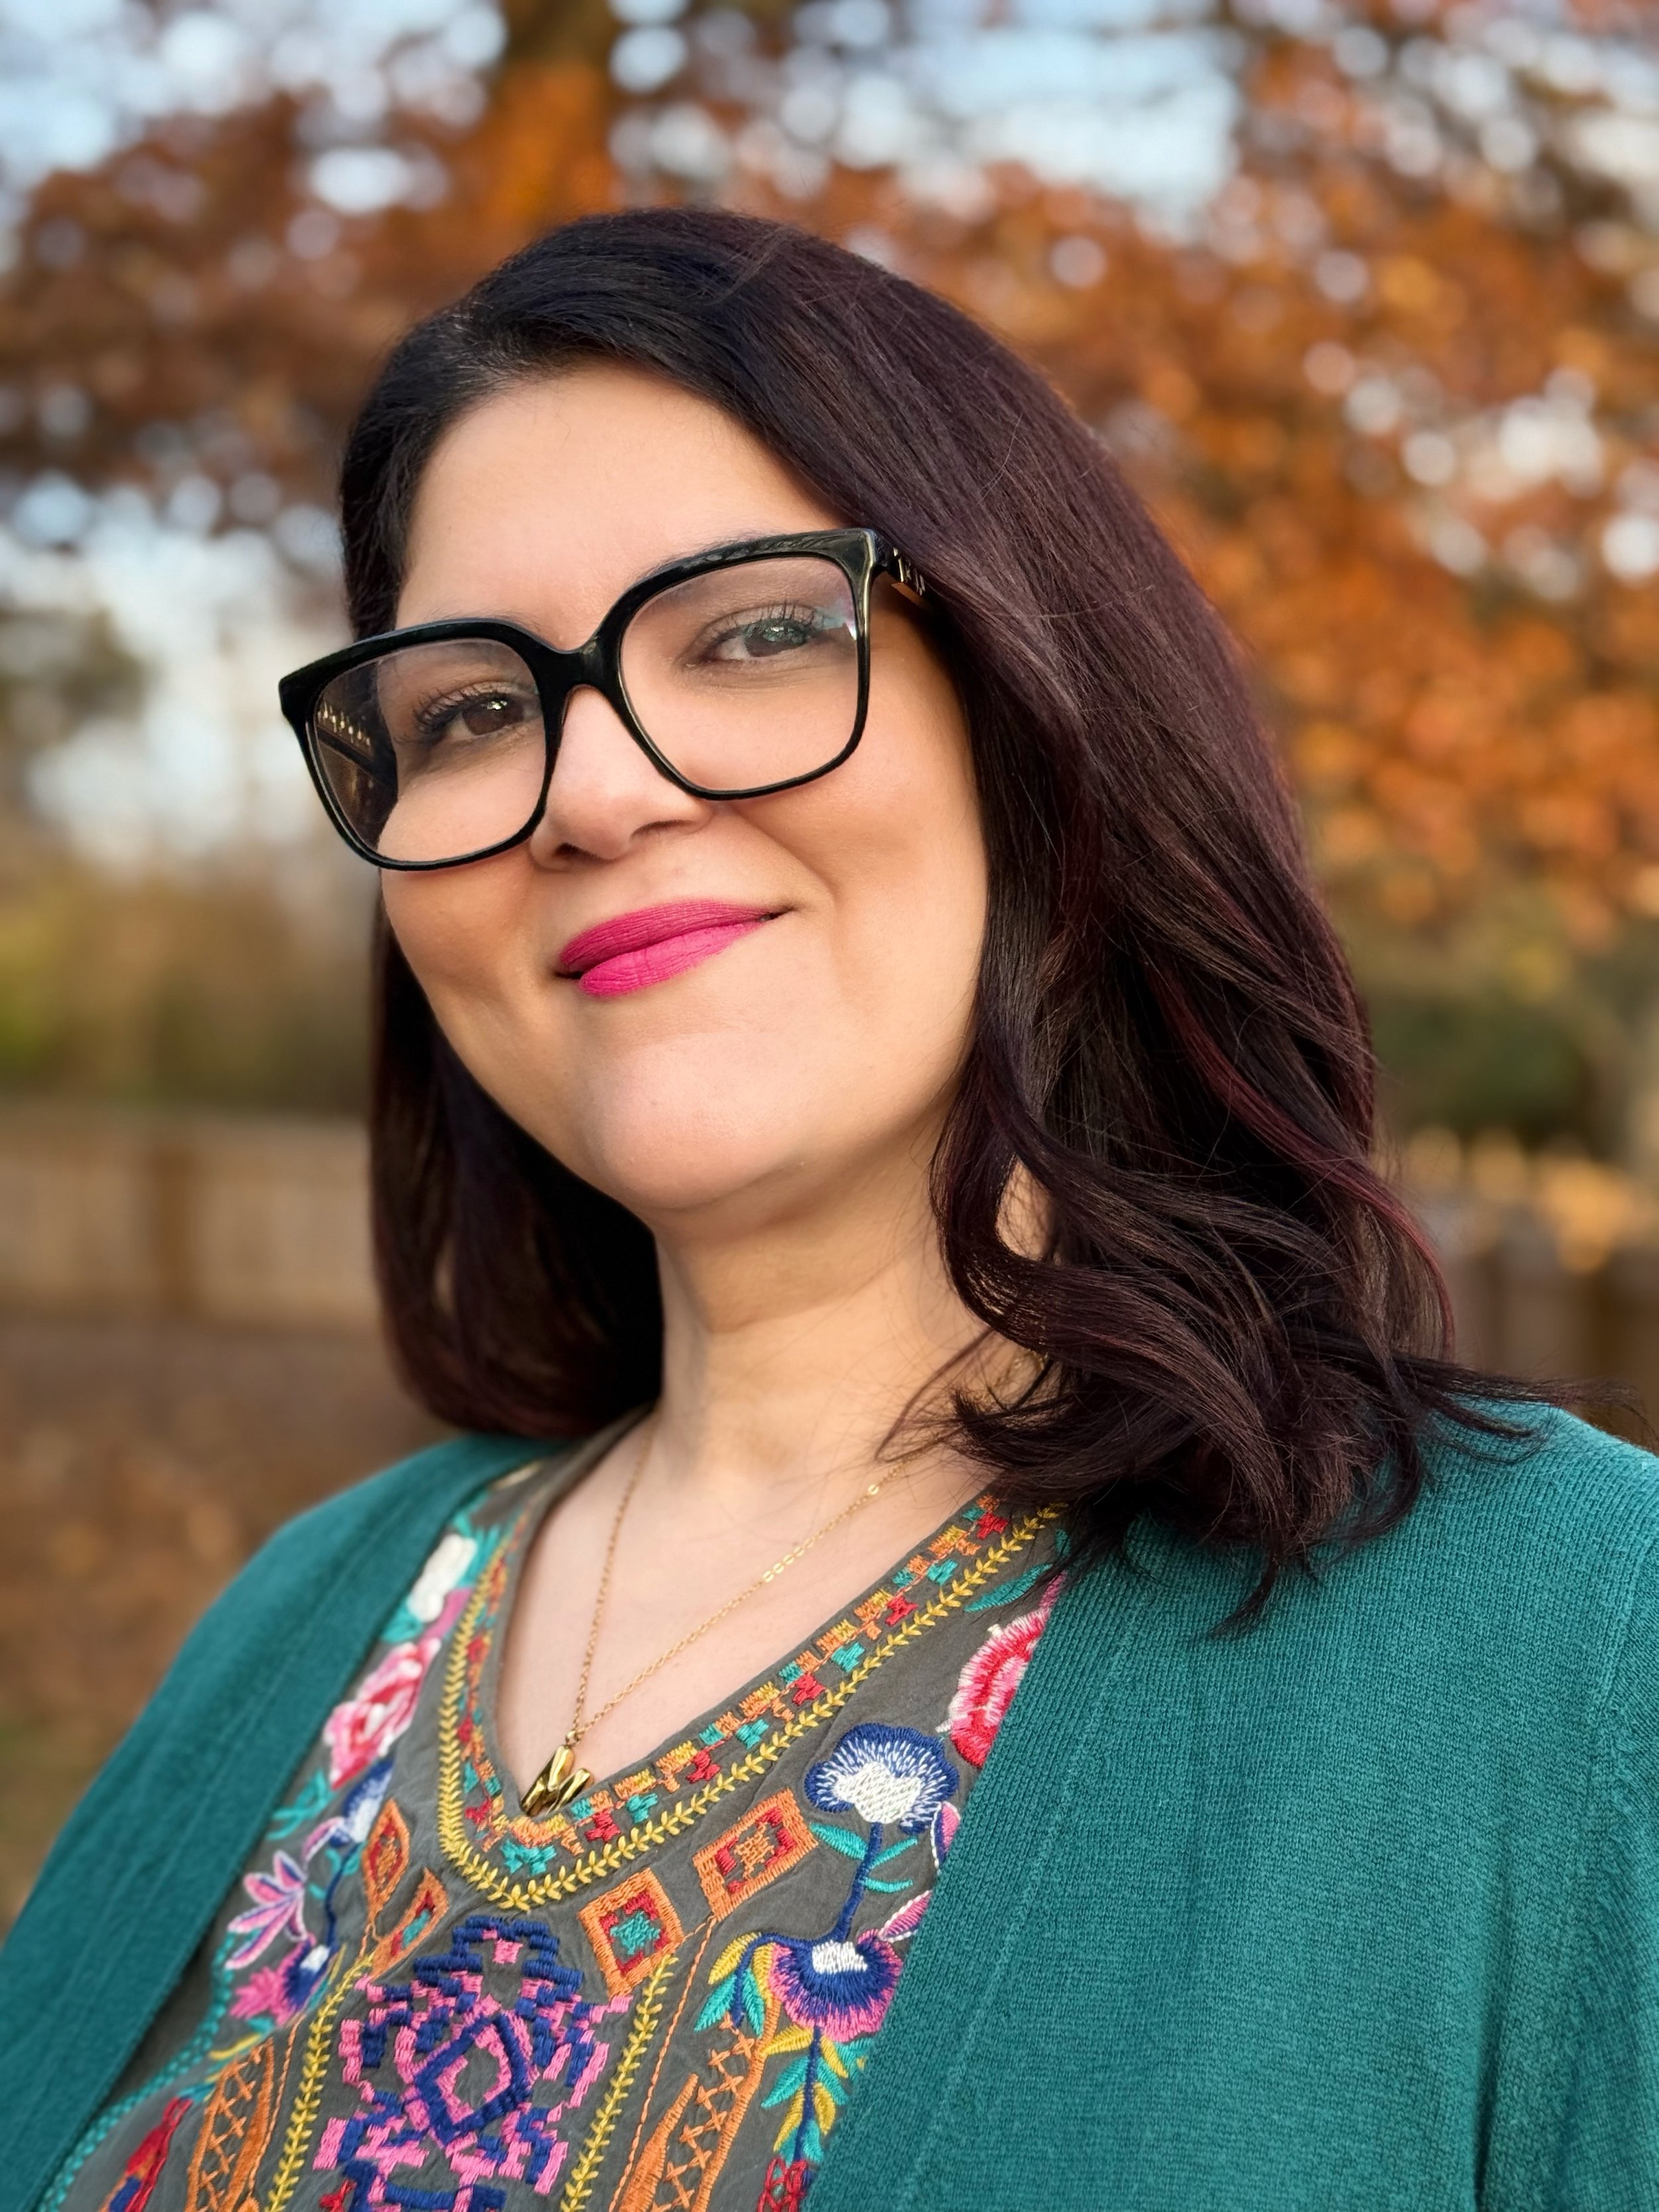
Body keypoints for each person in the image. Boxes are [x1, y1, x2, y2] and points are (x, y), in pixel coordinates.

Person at [5, 206, 1658, 2212]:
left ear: (1043, 713)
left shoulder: (1573, 1653)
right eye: (467, 711)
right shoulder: (300, 1618)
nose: (591, 791)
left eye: (756, 631)